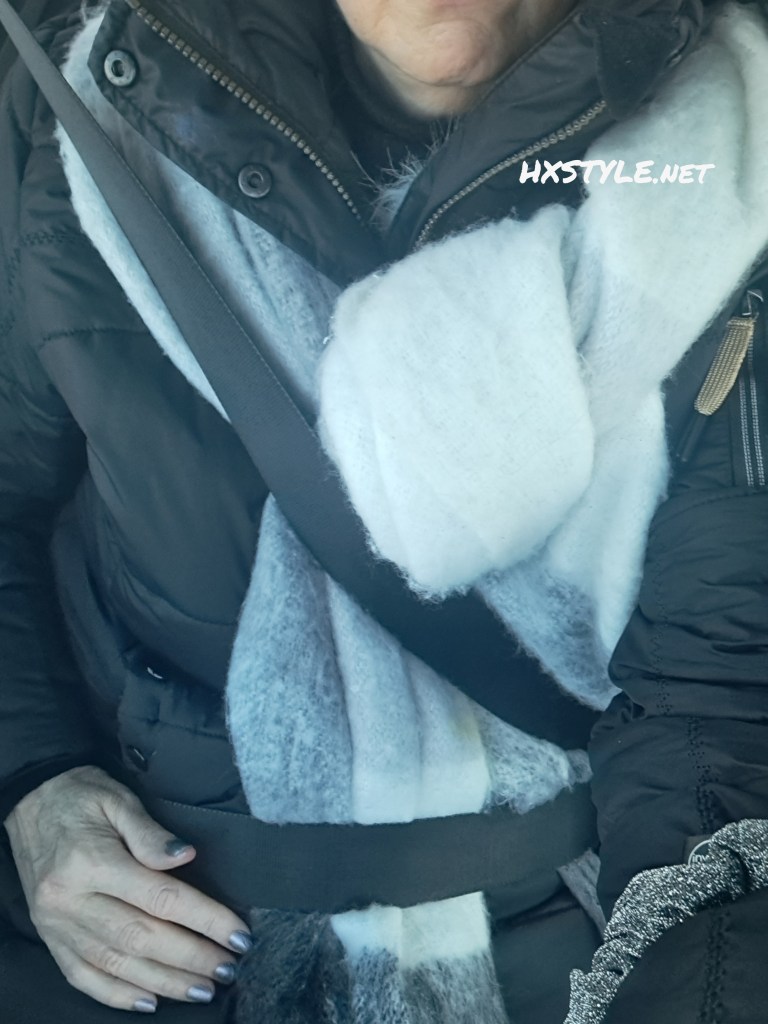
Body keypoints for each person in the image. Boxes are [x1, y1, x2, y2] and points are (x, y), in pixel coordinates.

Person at [0, 0, 767, 1022]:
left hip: (561, 939)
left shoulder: (732, 162)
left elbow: (716, 712)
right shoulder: (88, 102)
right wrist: (32, 782)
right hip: (126, 938)